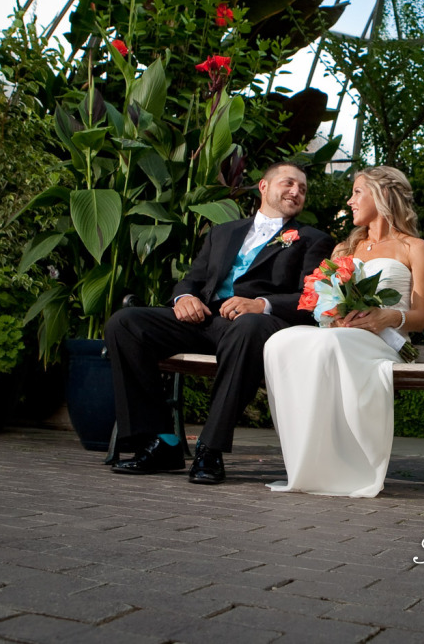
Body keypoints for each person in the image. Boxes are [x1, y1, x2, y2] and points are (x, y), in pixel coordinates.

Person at [105, 161, 334, 485]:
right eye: (289, 183)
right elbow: (193, 279)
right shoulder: (223, 232)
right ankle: (159, 442)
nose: (296, 192)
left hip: (259, 325)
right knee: (125, 323)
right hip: (205, 320)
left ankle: (209, 448)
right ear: (264, 187)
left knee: (248, 327)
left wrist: (261, 304)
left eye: (303, 189)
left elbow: (311, 298)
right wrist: (184, 298)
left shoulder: (312, 239)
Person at [263, 166, 424, 498]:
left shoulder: (414, 248)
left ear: (381, 195)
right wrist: (334, 317)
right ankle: (307, 463)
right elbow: (324, 303)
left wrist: (387, 317)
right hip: (342, 336)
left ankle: (350, 467)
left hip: (384, 343)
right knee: (279, 342)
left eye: (357, 192)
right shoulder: (345, 249)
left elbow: (420, 317)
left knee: (329, 346)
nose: (350, 200)